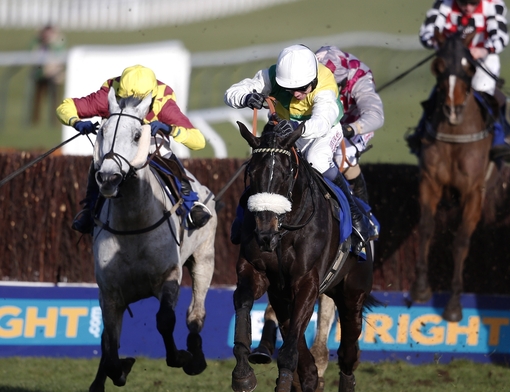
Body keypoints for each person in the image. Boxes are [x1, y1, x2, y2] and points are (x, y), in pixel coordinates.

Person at [223, 44, 373, 247]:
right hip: (284, 130)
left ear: (314, 79)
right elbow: (231, 93)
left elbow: (321, 122)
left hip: (323, 132)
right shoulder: (272, 75)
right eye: (289, 89)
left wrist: (296, 127)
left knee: (316, 161)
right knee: (266, 165)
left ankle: (356, 217)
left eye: (302, 88)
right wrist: (246, 97)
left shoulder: (325, 84)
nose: (296, 94)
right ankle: (242, 217)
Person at [58, 64, 212, 234]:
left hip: (149, 138)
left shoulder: (163, 103)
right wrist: (76, 122)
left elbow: (198, 141)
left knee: (165, 154)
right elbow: (66, 107)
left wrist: (170, 129)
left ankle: (191, 204)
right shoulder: (108, 94)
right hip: (118, 140)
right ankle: (90, 208)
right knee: (100, 160)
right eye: (125, 98)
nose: (130, 104)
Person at [405, 0, 510, 163]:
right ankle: (421, 130)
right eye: (463, 2)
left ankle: (499, 138)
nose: (468, 8)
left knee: (482, 92)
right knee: (443, 89)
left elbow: (501, 37)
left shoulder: (492, 4)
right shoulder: (444, 4)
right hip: (453, 60)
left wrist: (484, 50)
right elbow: (426, 34)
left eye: (473, 2)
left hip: (482, 60)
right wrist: (441, 45)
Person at [314, 45, 384, 204]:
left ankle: (361, 212)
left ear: (343, 81)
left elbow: (376, 116)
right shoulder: (311, 72)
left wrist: (351, 129)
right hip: (323, 120)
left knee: (343, 157)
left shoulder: (360, 79)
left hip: (353, 123)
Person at [31, 24, 66, 125]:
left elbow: (59, 54)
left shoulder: (57, 42)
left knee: (55, 100)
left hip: (54, 75)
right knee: (38, 99)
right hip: (40, 74)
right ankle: (35, 120)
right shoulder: (39, 42)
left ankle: (55, 120)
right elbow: (32, 52)